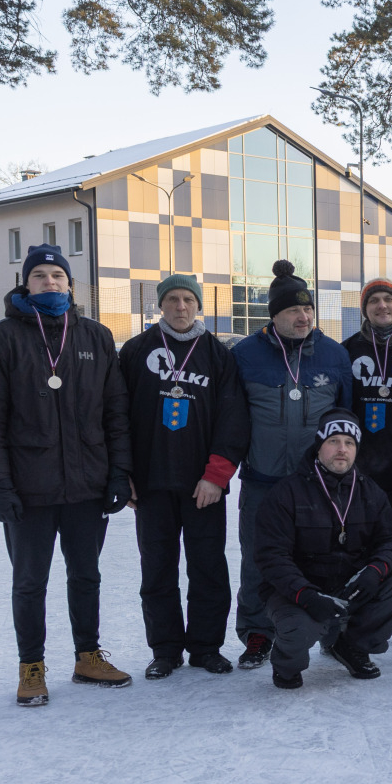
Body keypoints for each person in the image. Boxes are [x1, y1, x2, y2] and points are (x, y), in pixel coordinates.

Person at [0, 244, 133, 705]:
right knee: (29, 582)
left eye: (57, 276)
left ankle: (87, 656)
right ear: (25, 284)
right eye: (39, 275)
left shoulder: (96, 337)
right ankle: (31, 667)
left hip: (87, 485)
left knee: (86, 576)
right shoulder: (0, 340)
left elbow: (116, 414)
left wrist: (118, 474)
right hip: (28, 490)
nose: (50, 282)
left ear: (70, 284)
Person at [118, 274, 249, 679]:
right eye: (172, 299)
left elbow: (233, 420)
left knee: (208, 569)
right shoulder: (136, 351)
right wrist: (124, 474)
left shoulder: (218, 355)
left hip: (202, 486)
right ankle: (165, 649)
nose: (180, 307)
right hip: (151, 484)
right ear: (160, 305)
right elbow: (116, 417)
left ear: (198, 305)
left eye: (188, 300)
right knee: (157, 569)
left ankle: (206, 647)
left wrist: (216, 476)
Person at [231, 259, 353, 670]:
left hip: (316, 483)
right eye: (293, 310)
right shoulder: (245, 355)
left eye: (308, 309)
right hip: (263, 480)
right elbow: (231, 418)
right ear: (274, 315)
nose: (304, 317)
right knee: (258, 559)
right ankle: (257, 633)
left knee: (322, 559)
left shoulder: (334, 355)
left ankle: (331, 634)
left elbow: (345, 419)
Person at [254, 410, 392, 689]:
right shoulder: (286, 493)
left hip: (349, 586)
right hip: (300, 592)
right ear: (319, 446)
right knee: (299, 630)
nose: (342, 449)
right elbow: (271, 556)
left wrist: (374, 571)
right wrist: (306, 595)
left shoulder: (370, 491)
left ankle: (351, 645)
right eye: (334, 441)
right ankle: (287, 664)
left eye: (349, 443)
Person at [343, 278, 392, 641]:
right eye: (373, 300)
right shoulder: (349, 350)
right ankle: (354, 623)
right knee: (362, 551)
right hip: (364, 474)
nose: (381, 306)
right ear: (365, 309)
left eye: (388, 299)